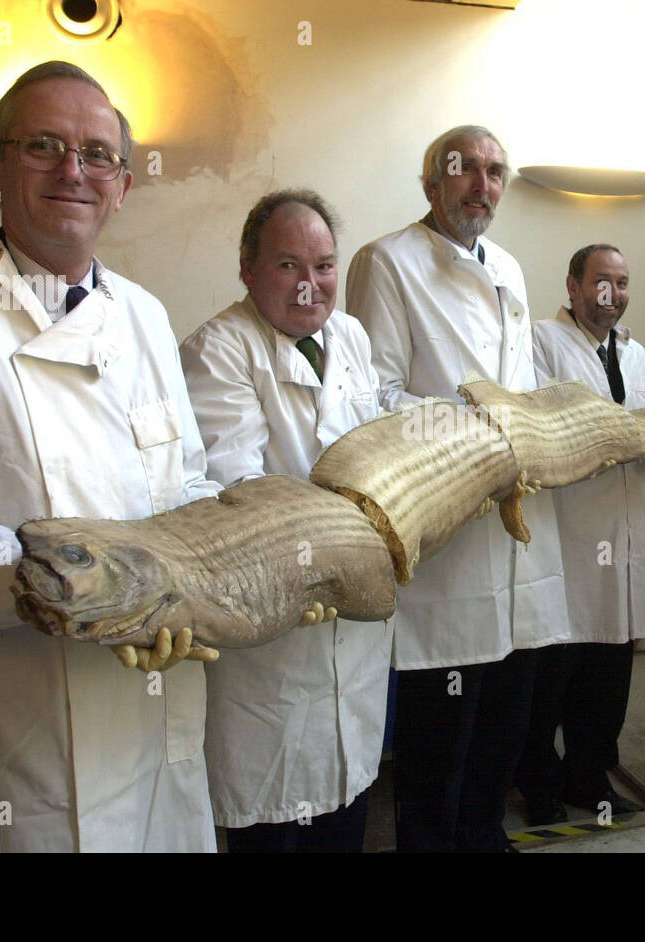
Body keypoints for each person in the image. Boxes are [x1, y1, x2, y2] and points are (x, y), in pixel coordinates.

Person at [0, 61, 220, 852]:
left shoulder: (147, 317)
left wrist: (227, 573)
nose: (73, 172)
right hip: (15, 720)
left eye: (96, 155)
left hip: (151, 694)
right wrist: (93, 586)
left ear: (122, 185)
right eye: (44, 146)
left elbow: (187, 482)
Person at [346, 125, 569, 852]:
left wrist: (531, 427)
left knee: (508, 707)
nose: (482, 184)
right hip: (446, 532)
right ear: (431, 182)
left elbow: (523, 386)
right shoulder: (387, 262)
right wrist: (478, 426)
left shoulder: (506, 265)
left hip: (517, 529)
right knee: (442, 719)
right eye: (464, 169)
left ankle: (483, 835)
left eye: (495, 171)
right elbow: (372, 396)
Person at [179, 190, 391, 852]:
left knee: (346, 804)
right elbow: (242, 490)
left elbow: (380, 444)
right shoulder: (219, 348)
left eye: (324, 266)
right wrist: (343, 538)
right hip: (272, 631)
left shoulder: (350, 336)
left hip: (353, 631)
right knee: (270, 826)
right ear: (247, 268)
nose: (310, 286)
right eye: (287, 266)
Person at [517, 244, 645, 825]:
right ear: (573, 287)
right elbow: (546, 429)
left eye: (621, 283)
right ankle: (539, 784)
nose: (611, 294)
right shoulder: (542, 342)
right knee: (554, 675)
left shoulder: (636, 351)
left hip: (623, 535)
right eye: (601, 281)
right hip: (569, 533)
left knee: (609, 676)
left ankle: (591, 776)